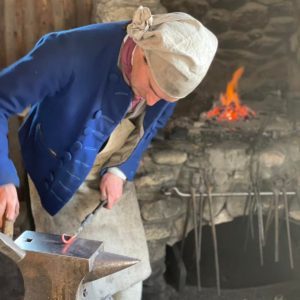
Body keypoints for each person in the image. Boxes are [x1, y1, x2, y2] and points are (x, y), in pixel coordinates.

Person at [0, 6, 218, 300]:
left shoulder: (170, 75)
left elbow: (152, 124)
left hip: (113, 168)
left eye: (165, 98)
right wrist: (3, 175)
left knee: (130, 281)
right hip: (58, 167)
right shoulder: (67, 51)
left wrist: (120, 171)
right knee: (76, 288)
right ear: (141, 52)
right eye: (152, 88)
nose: (153, 101)